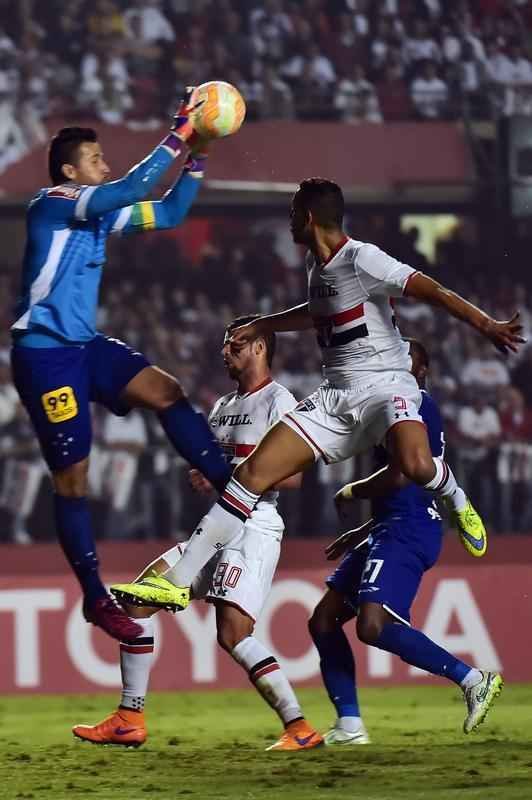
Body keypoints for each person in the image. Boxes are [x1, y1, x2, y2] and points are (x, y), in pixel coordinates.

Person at [112, 177, 523, 611]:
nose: (289, 223)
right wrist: (266, 324)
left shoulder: (364, 258)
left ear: (308, 217)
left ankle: (455, 497)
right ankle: (175, 583)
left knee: (417, 465)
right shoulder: (315, 266)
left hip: (386, 385)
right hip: (335, 395)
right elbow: (318, 311)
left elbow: (431, 290)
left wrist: (487, 325)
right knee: (251, 475)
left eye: (292, 215)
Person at [9, 90, 233, 642]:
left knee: (167, 391)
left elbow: (173, 210)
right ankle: (94, 596)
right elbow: (132, 186)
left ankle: (234, 489)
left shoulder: (100, 216)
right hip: (45, 357)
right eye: (95, 160)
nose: (104, 166)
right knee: (73, 481)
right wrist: (182, 131)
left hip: (85, 347)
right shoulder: (53, 204)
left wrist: (198, 154)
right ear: (69, 170)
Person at [76, 316, 323, 752]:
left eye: (235, 345)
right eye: (225, 344)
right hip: (216, 524)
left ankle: (299, 727)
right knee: (137, 599)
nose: (224, 352)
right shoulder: (223, 405)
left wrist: (228, 474)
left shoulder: (279, 402)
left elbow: (294, 478)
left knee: (232, 635)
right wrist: (205, 476)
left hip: (254, 527)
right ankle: (129, 717)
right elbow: (218, 467)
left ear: (261, 348)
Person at [308, 340, 503, 745]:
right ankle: (349, 726)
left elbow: (401, 476)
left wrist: (350, 492)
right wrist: (363, 530)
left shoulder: (415, 404)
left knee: (372, 624)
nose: (395, 364)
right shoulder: (392, 405)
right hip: (389, 525)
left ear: (423, 369)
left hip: (409, 529)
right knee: (324, 619)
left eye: (406, 358)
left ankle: (472, 680)